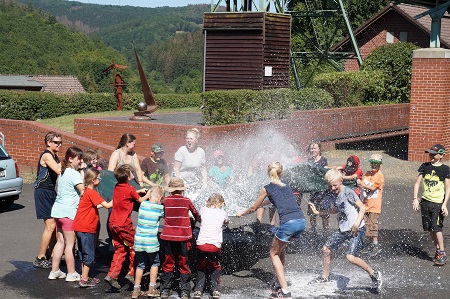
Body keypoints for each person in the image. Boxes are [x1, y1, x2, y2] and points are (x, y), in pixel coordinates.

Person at [237, 162, 306, 299]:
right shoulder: (286, 185)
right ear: (281, 173)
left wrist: (242, 213)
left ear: (269, 173)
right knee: (280, 250)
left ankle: (285, 292)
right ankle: (278, 282)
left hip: (288, 224)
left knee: (273, 253)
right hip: (301, 221)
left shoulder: (266, 188)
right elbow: (275, 199)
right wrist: (262, 203)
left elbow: (253, 208)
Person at [308, 169, 382, 290]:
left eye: (335, 185)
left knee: (350, 257)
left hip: (356, 228)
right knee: (326, 249)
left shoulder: (348, 192)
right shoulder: (333, 194)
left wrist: (356, 224)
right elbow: (336, 210)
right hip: (344, 229)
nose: (332, 188)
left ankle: (374, 274)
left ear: (341, 181)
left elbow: (362, 208)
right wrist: (318, 212)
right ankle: (325, 277)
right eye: (330, 186)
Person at [104, 165, 151, 289]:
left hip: (113, 223)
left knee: (120, 250)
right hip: (124, 224)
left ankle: (112, 275)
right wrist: (149, 193)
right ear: (128, 177)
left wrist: (136, 191)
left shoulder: (117, 187)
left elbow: (127, 194)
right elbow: (141, 200)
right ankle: (132, 273)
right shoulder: (130, 188)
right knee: (135, 247)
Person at [159, 177, 201, 299]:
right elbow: (196, 214)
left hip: (168, 236)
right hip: (183, 237)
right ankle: (185, 291)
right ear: (182, 190)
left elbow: (164, 214)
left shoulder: (166, 200)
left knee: (168, 263)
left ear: (171, 190)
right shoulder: (186, 201)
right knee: (184, 263)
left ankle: (165, 290)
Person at [48, 147, 85, 282]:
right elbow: (83, 190)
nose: (81, 161)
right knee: (70, 244)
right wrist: (82, 172)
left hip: (58, 211)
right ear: (70, 159)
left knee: (61, 241)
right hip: (69, 212)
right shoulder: (74, 174)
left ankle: (55, 271)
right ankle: (71, 273)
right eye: (78, 159)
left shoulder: (62, 173)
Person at [73, 168, 113, 287]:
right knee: (89, 254)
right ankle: (84, 280)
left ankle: (85, 276)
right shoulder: (92, 193)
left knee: (83, 252)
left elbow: (96, 206)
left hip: (79, 227)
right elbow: (107, 205)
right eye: (99, 178)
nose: (100, 180)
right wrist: (120, 197)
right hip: (86, 228)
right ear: (92, 180)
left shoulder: (86, 192)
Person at [413, 144, 450, 266]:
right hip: (425, 201)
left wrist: (444, 204)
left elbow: (448, 188)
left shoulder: (445, 169)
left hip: (437, 203)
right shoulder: (425, 166)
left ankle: (443, 253)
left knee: (437, 227)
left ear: (441, 155)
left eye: (434, 154)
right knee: (429, 228)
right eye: (430, 153)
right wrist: (415, 198)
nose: (431, 156)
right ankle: (438, 250)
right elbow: (417, 183)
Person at [33, 131, 62, 269]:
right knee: (50, 226)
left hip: (51, 192)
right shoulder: (47, 155)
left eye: (60, 142)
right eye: (57, 142)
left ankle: (51, 255)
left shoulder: (55, 156)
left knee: (56, 226)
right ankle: (40, 257)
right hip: (42, 192)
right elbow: (58, 170)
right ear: (49, 142)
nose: (59, 145)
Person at [193, 193, 229, 299]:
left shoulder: (203, 209)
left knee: (201, 265)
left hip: (201, 244)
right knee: (215, 266)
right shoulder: (223, 212)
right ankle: (215, 290)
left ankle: (198, 290)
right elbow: (226, 222)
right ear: (221, 203)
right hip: (214, 246)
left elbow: (199, 218)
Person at [132, 186, 165, 298]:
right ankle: (152, 288)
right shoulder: (159, 208)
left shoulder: (143, 205)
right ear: (160, 198)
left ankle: (136, 290)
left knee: (140, 265)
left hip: (139, 240)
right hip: (151, 241)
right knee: (154, 263)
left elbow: (142, 199)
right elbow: (166, 216)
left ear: (149, 196)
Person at [357, 154, 384, 256]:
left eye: (376, 164)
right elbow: (362, 183)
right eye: (372, 163)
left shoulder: (379, 176)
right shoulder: (368, 174)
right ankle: (368, 244)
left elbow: (372, 188)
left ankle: (375, 245)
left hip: (374, 205)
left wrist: (361, 183)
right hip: (366, 204)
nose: (373, 166)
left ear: (380, 165)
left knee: (372, 225)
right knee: (365, 225)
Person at [307, 142, 330, 233]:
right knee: (312, 212)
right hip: (313, 190)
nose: (313, 150)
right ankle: (313, 231)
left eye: (315, 148)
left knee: (324, 212)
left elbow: (324, 173)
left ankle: (326, 231)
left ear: (319, 149)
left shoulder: (323, 160)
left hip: (322, 191)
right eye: (311, 149)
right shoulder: (309, 161)